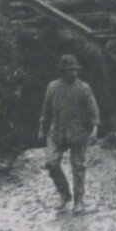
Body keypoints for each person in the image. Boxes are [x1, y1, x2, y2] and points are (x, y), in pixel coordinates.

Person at [39, 53, 100, 212]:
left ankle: (78, 201)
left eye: (75, 70)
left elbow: (93, 111)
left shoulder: (83, 88)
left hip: (78, 132)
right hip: (57, 132)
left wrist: (94, 129)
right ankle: (64, 194)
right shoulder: (52, 87)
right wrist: (41, 129)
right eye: (69, 70)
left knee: (78, 168)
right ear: (62, 72)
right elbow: (45, 111)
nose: (73, 73)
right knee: (52, 163)